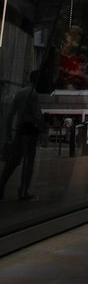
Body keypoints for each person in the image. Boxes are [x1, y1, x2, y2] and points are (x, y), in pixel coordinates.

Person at [0, 71, 45, 201]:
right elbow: (36, 115)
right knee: (29, 161)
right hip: (30, 129)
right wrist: (42, 128)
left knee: (13, 161)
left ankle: (2, 184)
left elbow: (11, 114)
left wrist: (9, 132)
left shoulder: (20, 93)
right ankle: (23, 190)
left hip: (20, 129)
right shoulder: (33, 94)